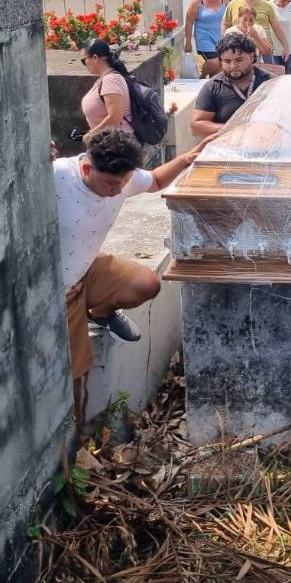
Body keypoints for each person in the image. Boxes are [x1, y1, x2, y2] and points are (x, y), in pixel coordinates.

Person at [55, 129, 205, 403]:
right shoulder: (57, 177)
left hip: (87, 266)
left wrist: (187, 159)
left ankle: (100, 312)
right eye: (112, 184)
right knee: (75, 373)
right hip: (59, 287)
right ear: (87, 167)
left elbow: (156, 180)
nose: (118, 191)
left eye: (123, 183)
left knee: (146, 284)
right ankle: (77, 438)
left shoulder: (123, 178)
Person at [190, 31, 273, 137]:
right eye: (227, 61)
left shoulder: (270, 83)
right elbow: (196, 126)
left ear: (252, 57)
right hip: (225, 150)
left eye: (239, 60)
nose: (233, 66)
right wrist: (235, 129)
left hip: (264, 146)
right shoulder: (213, 87)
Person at [224, 0, 289, 62]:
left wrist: (285, 46)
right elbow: (225, 24)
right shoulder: (232, 4)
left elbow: (276, 26)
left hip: (264, 48)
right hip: (238, 49)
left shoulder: (267, 5)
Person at [80, 39, 134, 137]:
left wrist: (91, 134)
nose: (84, 64)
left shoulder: (111, 80)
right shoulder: (105, 79)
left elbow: (115, 117)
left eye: (84, 60)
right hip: (109, 143)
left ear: (95, 58)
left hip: (117, 145)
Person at [184, 0, 227, 78]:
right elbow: (189, 21)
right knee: (213, 62)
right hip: (203, 37)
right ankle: (201, 76)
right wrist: (188, 42)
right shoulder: (197, 1)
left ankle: (211, 86)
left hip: (220, 37)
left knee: (220, 67)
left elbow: (229, 18)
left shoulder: (224, 0)